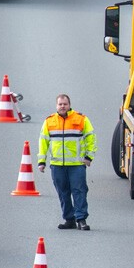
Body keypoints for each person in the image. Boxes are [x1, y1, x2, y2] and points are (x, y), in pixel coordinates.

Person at [36, 93, 97, 230]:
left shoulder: (81, 119)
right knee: (63, 193)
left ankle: (81, 219)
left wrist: (89, 157)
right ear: (56, 106)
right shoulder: (49, 121)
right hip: (57, 165)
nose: (62, 106)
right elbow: (43, 142)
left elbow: (91, 138)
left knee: (79, 191)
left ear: (70, 105)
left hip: (77, 165)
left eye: (65, 104)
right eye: (60, 104)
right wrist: (41, 161)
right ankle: (69, 219)